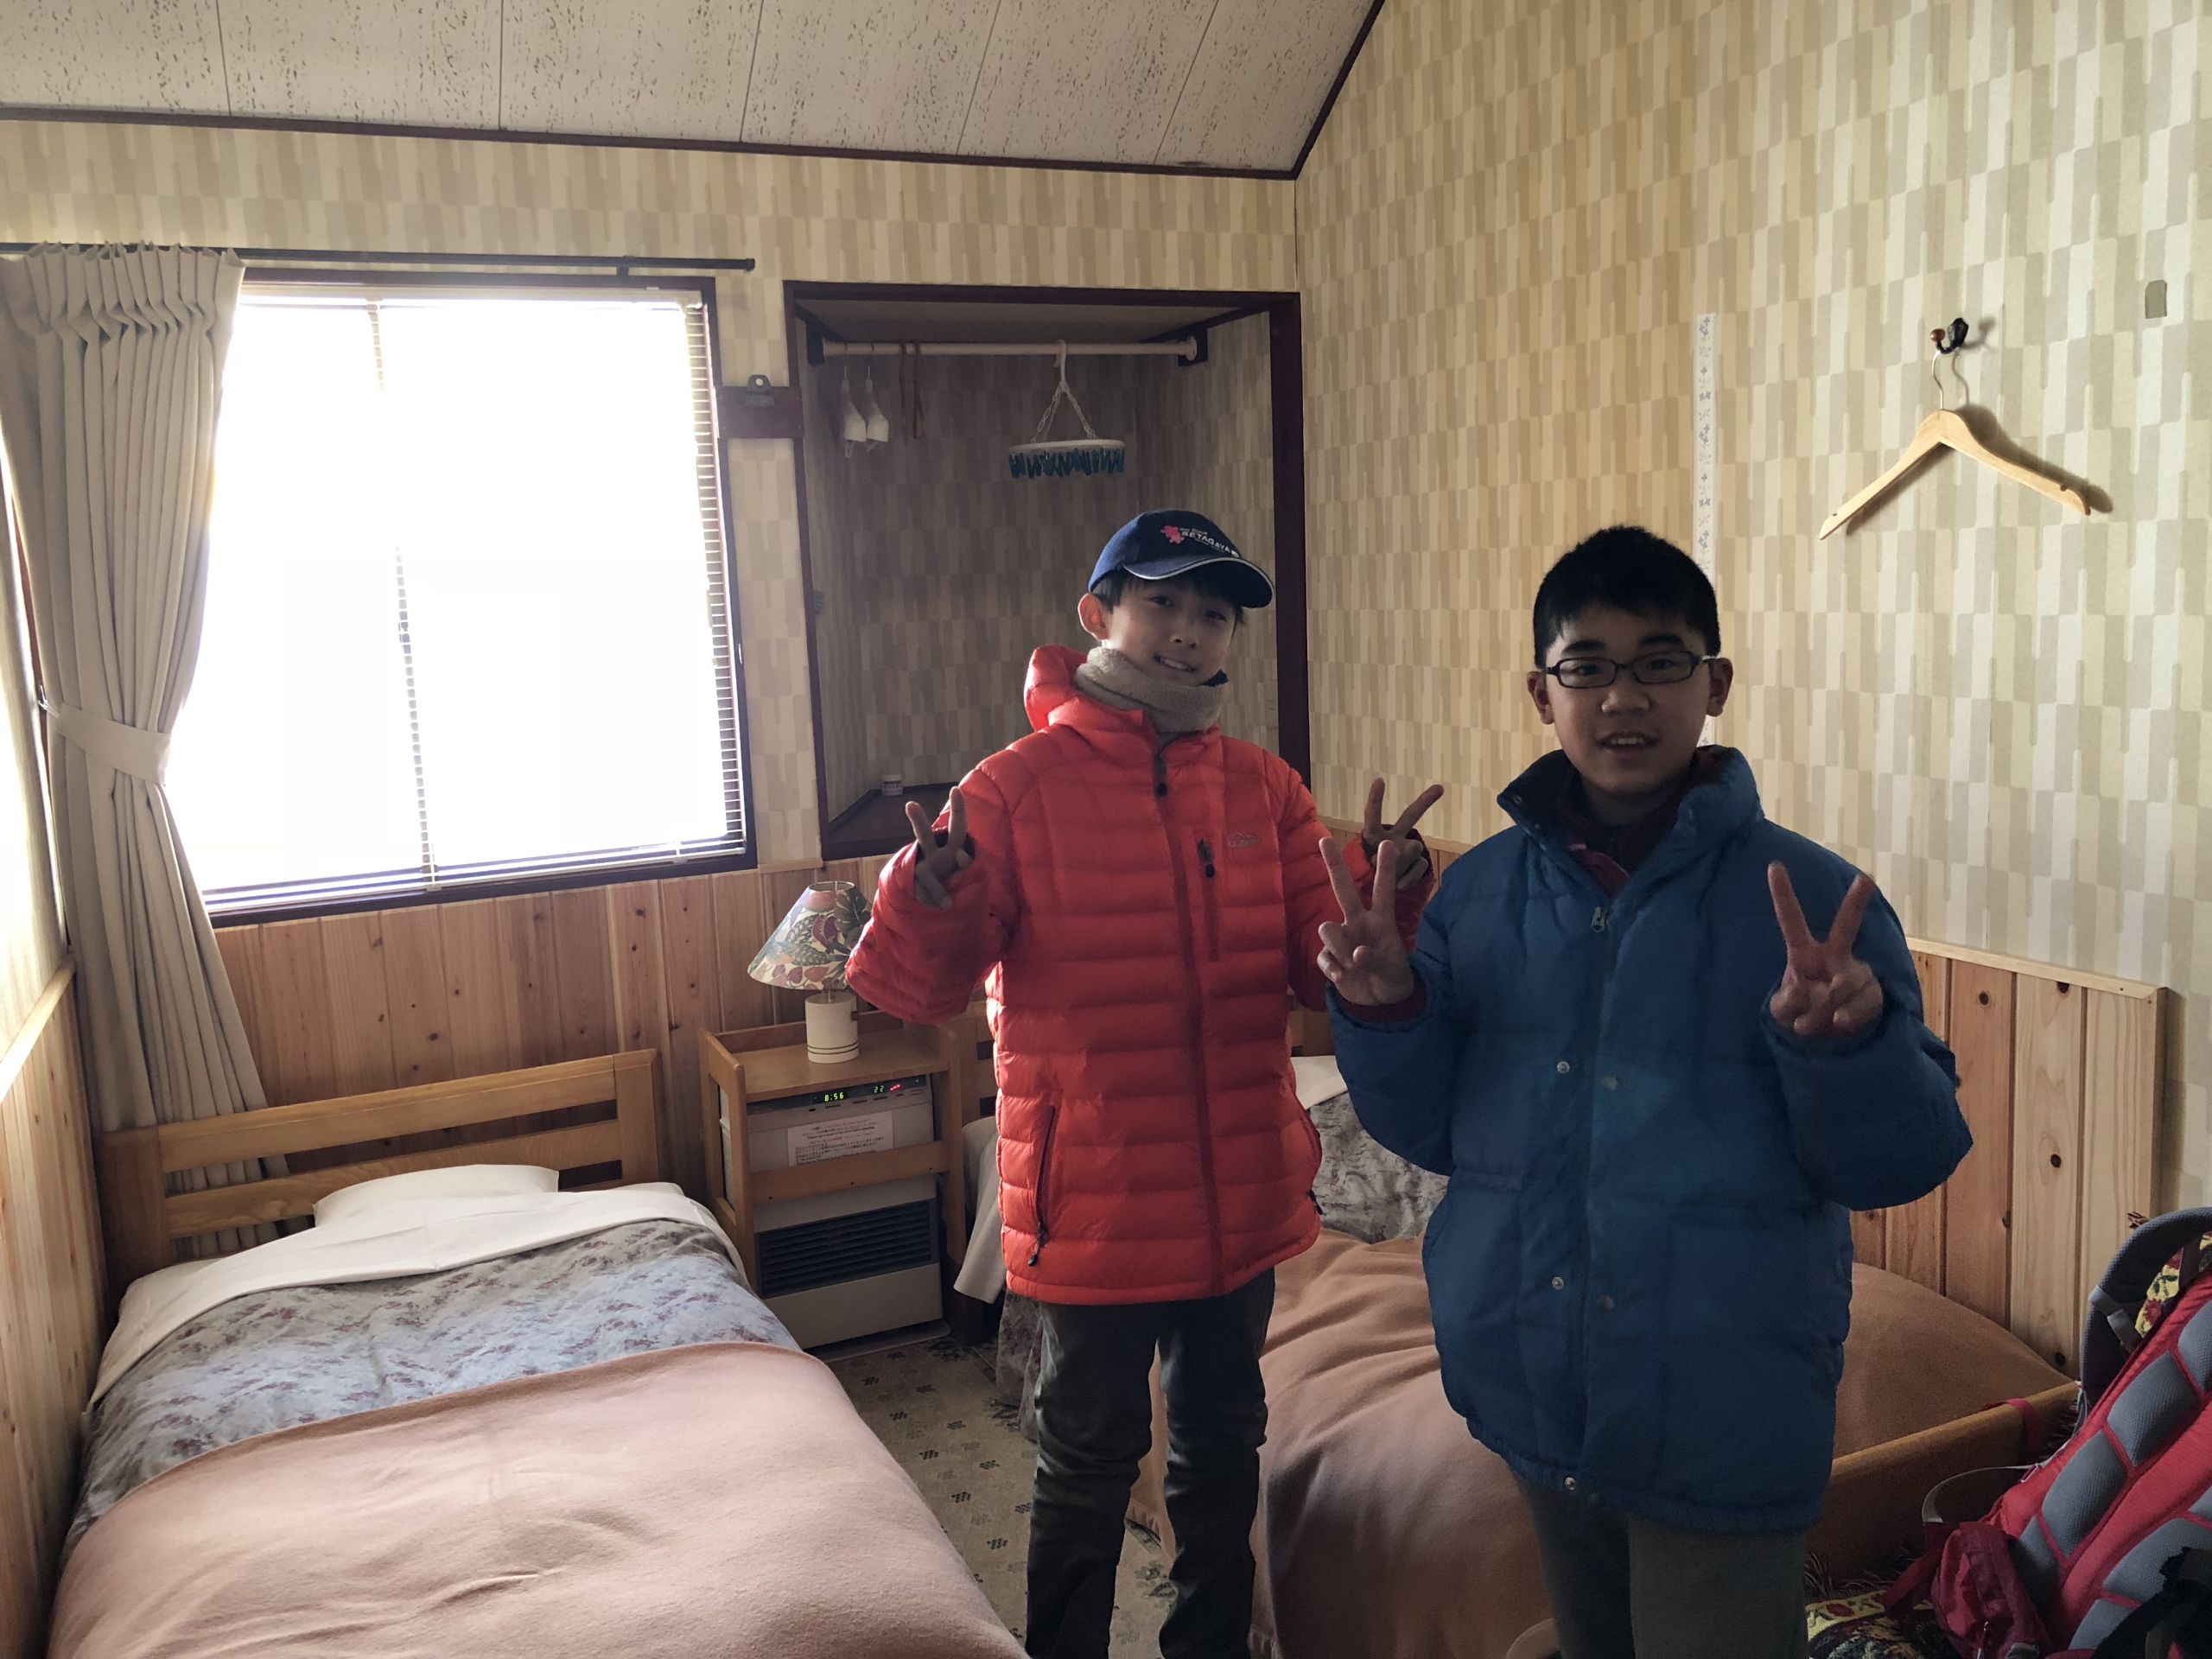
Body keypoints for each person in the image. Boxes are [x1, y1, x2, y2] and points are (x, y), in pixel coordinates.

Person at [1316, 525, 1970, 1659]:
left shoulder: (1811, 899)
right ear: (1543, 694)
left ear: (1715, 683)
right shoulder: (1480, 895)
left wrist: (1845, 1048)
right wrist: (1384, 1010)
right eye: (1588, 666)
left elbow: (1896, 1162)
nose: (1623, 696)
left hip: (1723, 1388)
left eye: (1660, 661)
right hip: (1527, 1366)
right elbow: (1428, 1131)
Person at [847, 507, 1439, 1659]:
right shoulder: (1010, 790)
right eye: (1162, 602)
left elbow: (1317, 972)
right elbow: (920, 993)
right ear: (1098, 614)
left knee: (1221, 1456)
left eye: (1212, 613)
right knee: (1085, 1463)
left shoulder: (1265, 789)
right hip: (1096, 1201)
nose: (1187, 631)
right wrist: (926, 897)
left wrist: (1389, 898)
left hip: (1243, 1200)